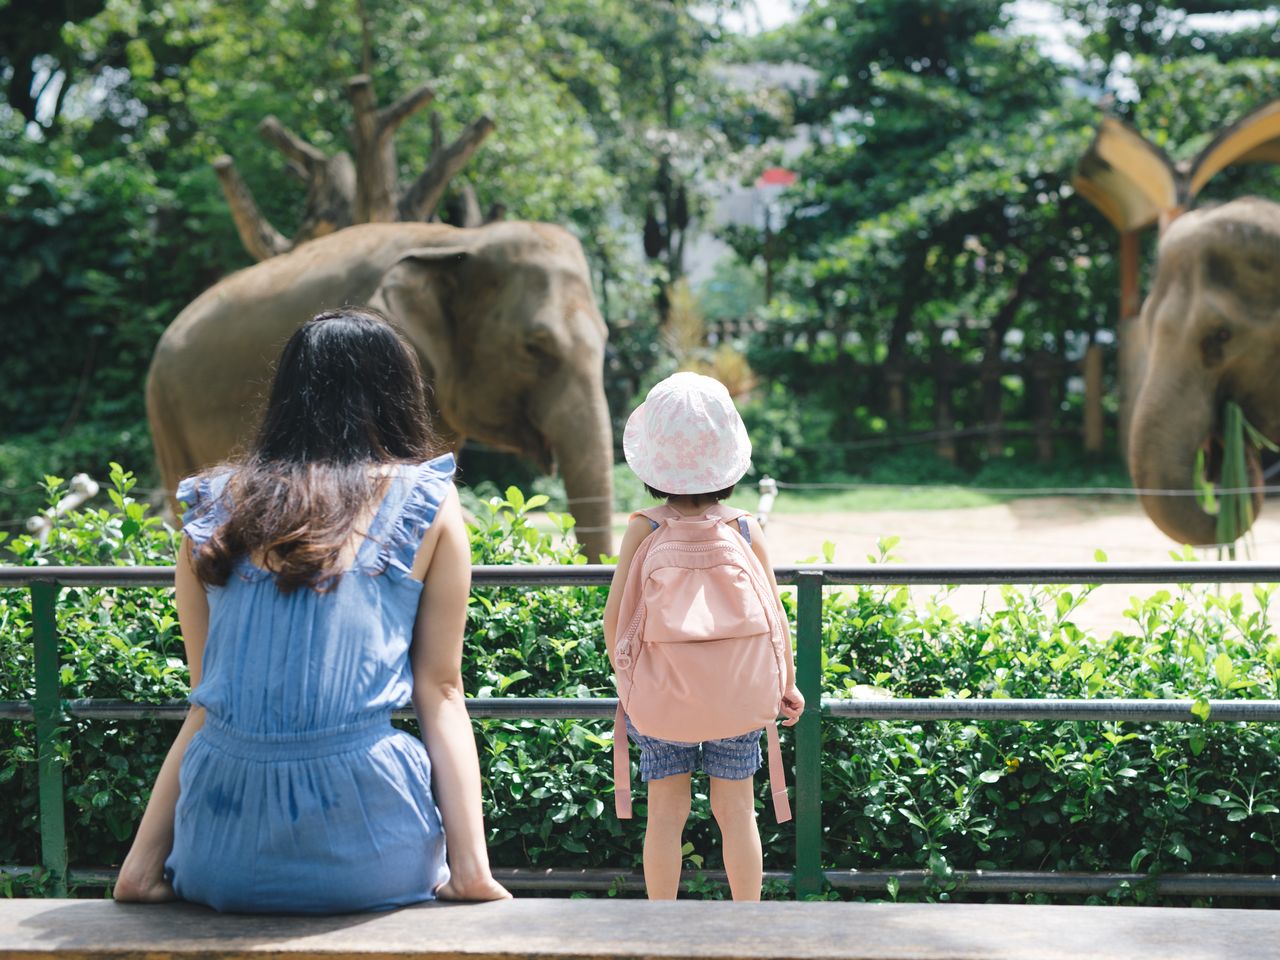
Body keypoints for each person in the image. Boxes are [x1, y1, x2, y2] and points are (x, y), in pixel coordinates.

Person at [114, 307, 510, 912]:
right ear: (396, 393)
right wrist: (472, 872)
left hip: (220, 848)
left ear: (287, 396)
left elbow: (208, 701)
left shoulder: (211, 508)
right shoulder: (425, 499)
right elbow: (442, 692)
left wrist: (139, 869)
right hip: (369, 849)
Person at [603, 372, 804, 901]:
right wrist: (787, 682)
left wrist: (630, 688)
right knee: (737, 813)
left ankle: (665, 933)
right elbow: (775, 618)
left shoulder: (644, 527)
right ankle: (745, 932)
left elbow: (616, 620)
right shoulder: (743, 528)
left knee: (666, 817)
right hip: (739, 694)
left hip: (662, 695)